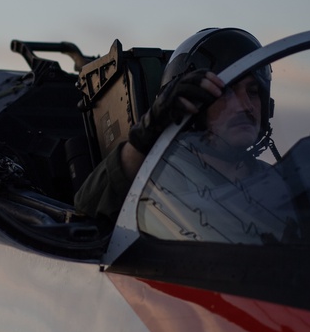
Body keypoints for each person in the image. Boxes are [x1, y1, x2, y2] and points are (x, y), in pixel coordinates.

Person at [74, 28, 275, 227]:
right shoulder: (161, 178)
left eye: (254, 91)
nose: (246, 106)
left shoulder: (275, 180)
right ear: (190, 103)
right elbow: (86, 210)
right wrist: (146, 135)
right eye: (226, 92)